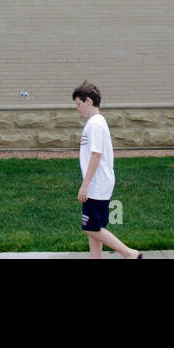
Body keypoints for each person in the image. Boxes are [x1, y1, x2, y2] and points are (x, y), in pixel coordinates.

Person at [73, 81, 141, 259]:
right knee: (95, 228)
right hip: (100, 182)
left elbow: (96, 155)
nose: (77, 109)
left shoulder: (95, 123)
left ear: (88, 101)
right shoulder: (98, 121)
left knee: (90, 227)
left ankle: (129, 254)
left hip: (96, 184)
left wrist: (85, 185)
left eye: (78, 104)